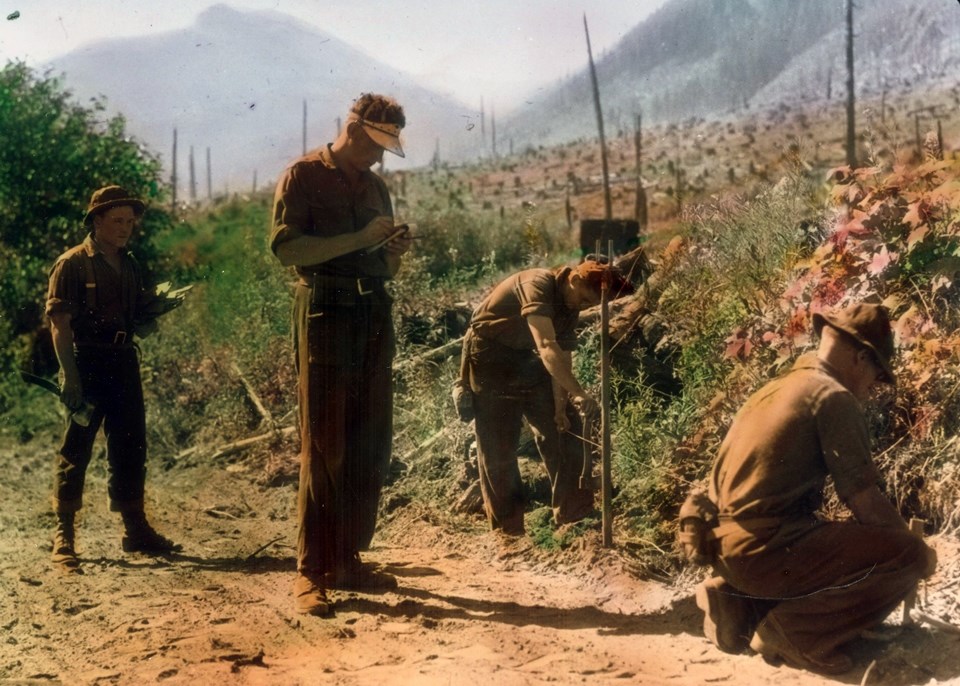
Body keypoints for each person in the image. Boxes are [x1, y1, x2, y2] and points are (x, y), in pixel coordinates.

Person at [696, 302, 937, 675]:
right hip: (763, 551)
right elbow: (864, 501)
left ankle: (738, 603)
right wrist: (914, 551)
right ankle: (795, 634)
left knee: (823, 542)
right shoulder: (833, 397)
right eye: (876, 377)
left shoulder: (775, 388)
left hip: (722, 547)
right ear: (859, 358)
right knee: (907, 554)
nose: (872, 390)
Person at [270, 93, 413, 617]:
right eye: (376, 145)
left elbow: (382, 267)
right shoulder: (302, 176)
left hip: (372, 314)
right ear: (353, 129)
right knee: (325, 444)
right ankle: (311, 572)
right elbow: (287, 250)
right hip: (325, 314)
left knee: (368, 440)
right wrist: (356, 239)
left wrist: (390, 254)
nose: (380, 157)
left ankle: (348, 557)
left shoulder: (376, 186)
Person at [45, 185, 182, 573]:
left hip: (123, 362)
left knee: (130, 445)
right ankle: (64, 535)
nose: (126, 227)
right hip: (87, 365)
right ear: (97, 221)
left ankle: (135, 530)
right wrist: (69, 377)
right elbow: (59, 325)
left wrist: (156, 308)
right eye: (118, 220)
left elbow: (137, 314)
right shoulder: (72, 264)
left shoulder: (131, 263)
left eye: (130, 221)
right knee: (77, 448)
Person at [461, 259, 634, 536]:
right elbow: (545, 345)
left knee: (565, 430)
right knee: (499, 446)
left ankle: (573, 521)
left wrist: (561, 407)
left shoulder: (569, 307)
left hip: (527, 359)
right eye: (584, 300)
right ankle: (508, 532)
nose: (583, 307)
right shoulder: (537, 284)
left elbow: (561, 357)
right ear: (573, 280)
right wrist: (580, 392)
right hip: (489, 357)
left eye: (590, 306)